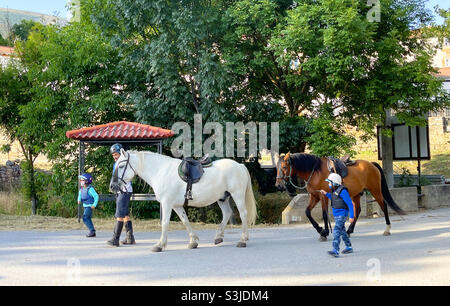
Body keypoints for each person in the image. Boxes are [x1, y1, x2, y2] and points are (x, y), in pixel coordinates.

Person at [107, 143, 136, 247]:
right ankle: (130, 238)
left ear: (120, 153)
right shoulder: (117, 163)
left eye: (116, 154)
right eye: (113, 155)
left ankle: (115, 239)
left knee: (119, 214)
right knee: (125, 214)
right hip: (122, 191)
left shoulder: (123, 163)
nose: (114, 156)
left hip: (124, 190)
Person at [320, 173, 355, 258]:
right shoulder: (334, 191)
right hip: (337, 215)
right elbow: (333, 198)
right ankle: (349, 247)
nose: (328, 184)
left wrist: (351, 216)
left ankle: (335, 250)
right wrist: (325, 193)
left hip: (342, 214)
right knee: (342, 231)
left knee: (336, 231)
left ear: (335, 183)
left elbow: (350, 204)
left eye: (329, 182)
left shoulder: (343, 191)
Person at [78, 173, 99, 238]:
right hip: (85, 205)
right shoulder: (81, 189)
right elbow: (80, 195)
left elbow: (96, 196)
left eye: (82, 180)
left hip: (90, 206)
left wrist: (94, 205)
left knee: (85, 217)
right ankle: (92, 232)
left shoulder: (90, 189)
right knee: (88, 218)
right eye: (80, 180)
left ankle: (92, 231)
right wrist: (79, 199)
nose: (80, 181)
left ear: (86, 181)